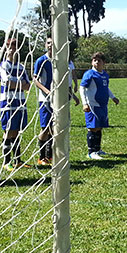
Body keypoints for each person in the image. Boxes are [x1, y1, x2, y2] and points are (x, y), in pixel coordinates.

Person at [32, 37, 80, 167]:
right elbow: (35, 80)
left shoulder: (61, 61)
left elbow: (64, 81)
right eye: (48, 43)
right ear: (45, 45)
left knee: (57, 128)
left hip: (59, 100)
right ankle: (41, 157)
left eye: (53, 43)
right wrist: (47, 91)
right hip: (45, 100)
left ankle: (52, 156)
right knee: (45, 128)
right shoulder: (41, 61)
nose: (50, 46)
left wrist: (72, 95)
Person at [0, 37, 31, 170]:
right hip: (7, 102)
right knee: (8, 130)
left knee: (16, 131)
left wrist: (18, 85)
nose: (12, 49)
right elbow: (8, 83)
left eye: (14, 47)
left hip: (20, 102)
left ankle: (17, 160)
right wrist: (20, 84)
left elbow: (28, 86)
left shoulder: (21, 67)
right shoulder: (3, 65)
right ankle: (6, 162)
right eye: (9, 47)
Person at [80, 52, 119, 159]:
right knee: (93, 128)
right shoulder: (89, 74)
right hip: (92, 105)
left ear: (104, 63)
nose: (96, 62)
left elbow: (106, 88)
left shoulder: (105, 75)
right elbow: (82, 88)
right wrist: (85, 103)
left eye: (99, 60)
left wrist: (113, 97)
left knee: (99, 127)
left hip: (103, 106)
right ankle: (91, 152)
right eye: (94, 60)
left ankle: (98, 149)